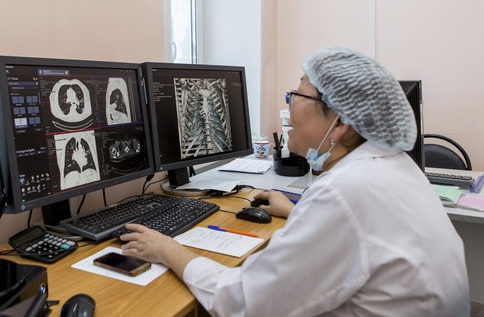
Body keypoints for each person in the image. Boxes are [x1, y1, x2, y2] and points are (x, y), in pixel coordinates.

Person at [120, 47, 470, 316]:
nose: (289, 105)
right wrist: (296, 212)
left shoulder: (344, 192)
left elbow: (243, 301)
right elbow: (366, 235)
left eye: (297, 96)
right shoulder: (391, 166)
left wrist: (168, 249)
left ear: (341, 122)